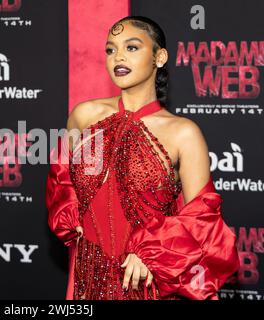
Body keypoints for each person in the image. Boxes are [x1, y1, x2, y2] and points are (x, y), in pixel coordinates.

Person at [46, 16, 240, 300]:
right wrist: (67, 209)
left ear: (159, 57)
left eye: (132, 47)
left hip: (145, 282)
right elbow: (61, 175)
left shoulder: (183, 133)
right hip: (87, 275)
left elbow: (203, 217)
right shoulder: (83, 115)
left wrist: (153, 251)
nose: (118, 57)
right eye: (110, 49)